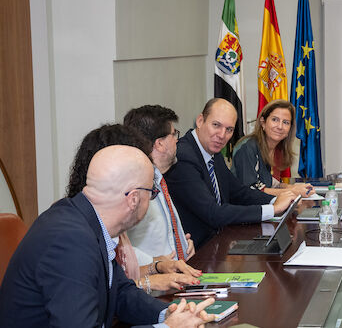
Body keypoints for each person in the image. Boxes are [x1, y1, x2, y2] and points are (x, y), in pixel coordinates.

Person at [0, 145, 214, 327]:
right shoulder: (71, 241)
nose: (150, 201)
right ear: (133, 199)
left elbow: (119, 291)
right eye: (152, 193)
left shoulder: (87, 220)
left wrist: (168, 314)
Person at [65, 124, 201, 291]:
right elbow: (103, 292)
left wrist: (157, 267)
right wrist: (150, 282)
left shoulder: (111, 221)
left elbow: (122, 277)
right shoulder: (76, 235)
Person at [164, 98, 297, 246]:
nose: (222, 135)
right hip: (197, 250)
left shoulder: (212, 151)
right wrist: (273, 209)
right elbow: (213, 213)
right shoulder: (183, 156)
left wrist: (274, 200)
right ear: (200, 121)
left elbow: (238, 192)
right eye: (216, 125)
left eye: (229, 130)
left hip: (219, 241)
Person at [123, 105, 197, 265]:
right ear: (159, 144)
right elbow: (116, 245)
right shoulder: (133, 185)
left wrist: (182, 245)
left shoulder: (158, 178)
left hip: (176, 273)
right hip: (150, 278)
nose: (177, 140)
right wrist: (155, 264)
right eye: (173, 134)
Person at [231, 99, 312, 196]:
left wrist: (292, 187)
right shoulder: (247, 147)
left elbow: (268, 182)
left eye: (286, 122)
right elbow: (251, 189)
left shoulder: (277, 149)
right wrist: (292, 191)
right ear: (263, 122)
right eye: (275, 120)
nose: (280, 126)